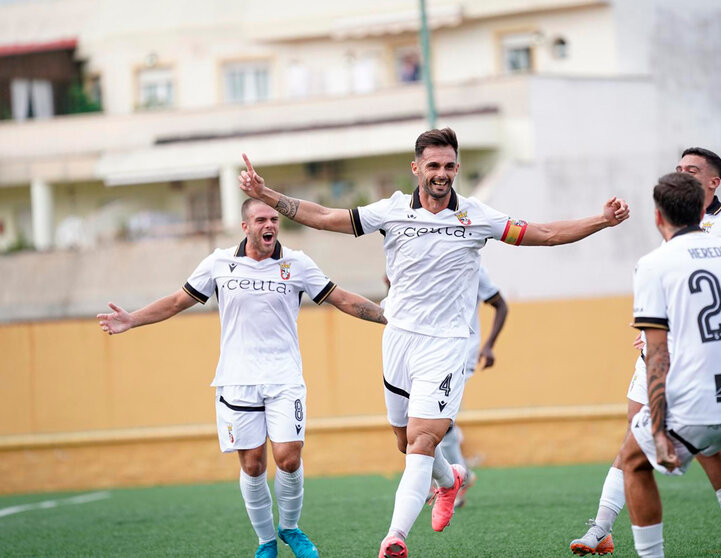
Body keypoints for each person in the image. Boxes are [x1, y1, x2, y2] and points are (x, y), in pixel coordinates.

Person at [237, 127, 630, 558]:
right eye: (432, 166)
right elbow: (326, 217)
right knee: (405, 440)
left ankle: (395, 538)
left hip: (446, 346)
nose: (440, 174)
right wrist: (268, 195)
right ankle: (450, 479)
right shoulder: (390, 211)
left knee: (422, 441)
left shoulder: (477, 216)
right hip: (398, 339)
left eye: (448, 166)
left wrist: (601, 220)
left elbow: (545, 233)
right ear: (416, 168)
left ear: (457, 169)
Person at [97, 199, 386, 558]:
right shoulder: (220, 264)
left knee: (289, 458)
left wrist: (387, 315)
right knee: (253, 464)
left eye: (274, 219)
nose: (270, 225)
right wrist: (132, 320)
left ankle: (291, 529)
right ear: (245, 226)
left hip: (284, 379)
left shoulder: (296, 263)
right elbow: (175, 302)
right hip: (236, 381)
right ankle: (266, 541)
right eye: (261, 219)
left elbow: (341, 299)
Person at [570, 147, 721, 556]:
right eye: (679, 169)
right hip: (673, 349)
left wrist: (674, 325)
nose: (685, 174)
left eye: (693, 170)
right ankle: (602, 528)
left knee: (648, 448)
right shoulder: (681, 245)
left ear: (713, 184)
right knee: (647, 432)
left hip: (693, 359)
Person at [623, 171, 721, 557]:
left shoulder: (655, 263)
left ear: (658, 216)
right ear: (701, 208)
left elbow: (656, 355)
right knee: (709, 443)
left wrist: (659, 432)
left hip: (702, 394)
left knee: (632, 460)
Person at [438, 265, 508, 509]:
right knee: (432, 416)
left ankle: (454, 480)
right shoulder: (428, 260)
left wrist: (488, 345)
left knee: (440, 416)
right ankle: (459, 474)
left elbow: (501, 305)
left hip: (462, 353)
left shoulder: (473, 267)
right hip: (432, 352)